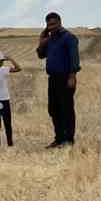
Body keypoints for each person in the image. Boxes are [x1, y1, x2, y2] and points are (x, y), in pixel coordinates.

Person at [36, 12, 80, 147]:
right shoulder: (50, 39)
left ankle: (69, 140)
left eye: (54, 24)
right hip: (53, 78)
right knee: (53, 109)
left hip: (65, 77)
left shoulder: (69, 38)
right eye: (49, 25)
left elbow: (74, 58)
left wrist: (72, 77)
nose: (51, 27)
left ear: (60, 22)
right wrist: (41, 41)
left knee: (66, 109)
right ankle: (59, 138)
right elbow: (41, 55)